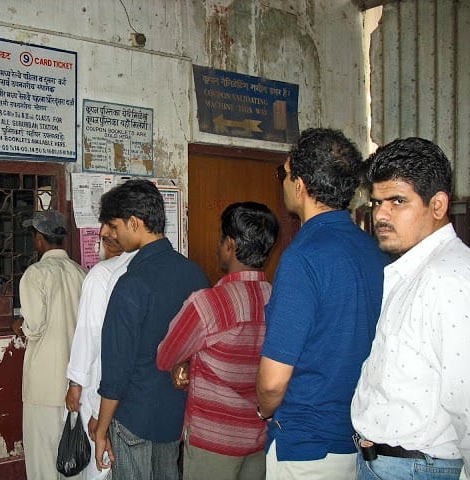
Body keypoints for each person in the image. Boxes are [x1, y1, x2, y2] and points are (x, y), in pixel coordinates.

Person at [256, 128, 388, 479]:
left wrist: (264, 411)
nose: (282, 183)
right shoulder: (375, 252)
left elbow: (272, 381)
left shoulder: (303, 257)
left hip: (308, 448)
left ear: (299, 185)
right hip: (361, 442)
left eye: (283, 174)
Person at [351, 137, 470, 480]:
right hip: (390, 463)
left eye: (397, 201)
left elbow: (465, 397)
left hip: (417, 468)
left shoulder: (448, 277)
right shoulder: (413, 269)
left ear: (437, 205)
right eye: (376, 203)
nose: (381, 214)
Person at [92, 179, 209, 480]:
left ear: (134, 223)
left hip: (134, 416)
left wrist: (102, 429)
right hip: (174, 415)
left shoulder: (132, 283)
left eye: (113, 225)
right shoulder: (195, 274)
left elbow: (117, 369)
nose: (108, 233)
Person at [157, 201, 279, 480]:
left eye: (221, 239)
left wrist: (184, 362)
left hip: (213, 441)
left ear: (231, 245)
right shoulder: (278, 299)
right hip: (260, 439)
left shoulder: (209, 304)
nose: (218, 246)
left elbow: (166, 356)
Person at [11, 209, 86, 480]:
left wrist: (18, 324)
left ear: (40, 238)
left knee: (43, 460)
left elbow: (34, 327)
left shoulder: (35, 274)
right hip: (75, 385)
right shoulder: (81, 273)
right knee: (73, 459)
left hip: (43, 386)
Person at [65, 224, 137, 480]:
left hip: (100, 388)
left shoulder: (100, 275)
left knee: (98, 464)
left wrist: (75, 383)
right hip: (134, 392)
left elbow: (89, 336)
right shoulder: (141, 268)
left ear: (109, 243)